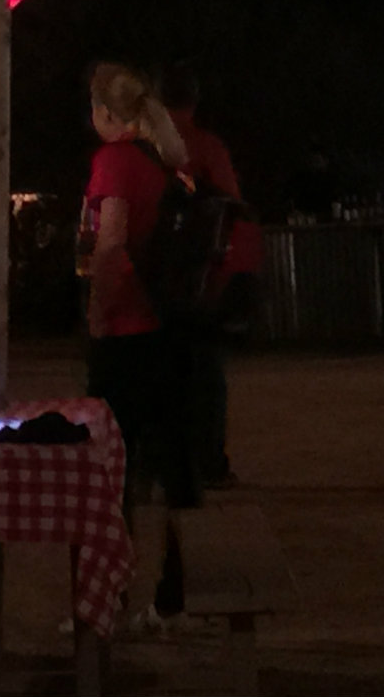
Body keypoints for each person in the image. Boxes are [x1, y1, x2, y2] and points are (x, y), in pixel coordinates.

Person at [81, 62, 200, 629]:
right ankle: (173, 595)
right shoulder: (164, 162)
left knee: (111, 473)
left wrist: (97, 316)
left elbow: (109, 249)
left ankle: (111, 597)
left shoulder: (115, 161)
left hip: (127, 334)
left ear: (107, 112)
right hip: (169, 332)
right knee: (168, 471)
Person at [158, 63, 251, 491]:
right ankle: (208, 460)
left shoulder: (151, 146)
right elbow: (232, 208)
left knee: (163, 373)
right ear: (195, 102)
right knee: (207, 375)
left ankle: (161, 462)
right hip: (203, 278)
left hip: (157, 279)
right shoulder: (208, 146)